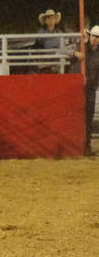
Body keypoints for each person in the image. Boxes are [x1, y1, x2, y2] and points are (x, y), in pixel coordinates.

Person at [73, 25, 99, 156]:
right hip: (78, 87)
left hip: (91, 88)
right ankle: (77, 144)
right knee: (77, 116)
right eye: (94, 36)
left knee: (88, 117)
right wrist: (75, 53)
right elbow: (70, 53)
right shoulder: (83, 47)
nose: (95, 39)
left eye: (97, 37)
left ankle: (87, 145)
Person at [34, 9, 67, 73]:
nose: (51, 20)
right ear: (46, 21)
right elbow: (38, 47)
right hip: (45, 59)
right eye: (48, 18)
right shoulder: (41, 33)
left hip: (57, 59)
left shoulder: (60, 33)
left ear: (55, 20)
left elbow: (64, 47)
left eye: (53, 18)